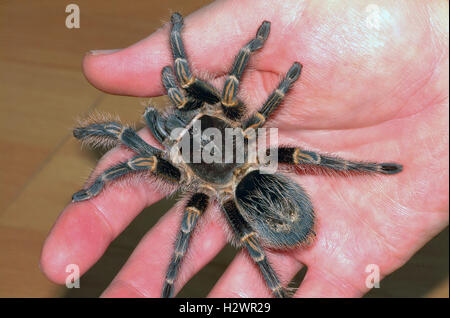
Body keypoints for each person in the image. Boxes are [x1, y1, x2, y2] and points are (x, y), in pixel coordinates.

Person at [40, 0, 449, 297]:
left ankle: (366, 175)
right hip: (252, 179)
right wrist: (270, 75)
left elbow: (222, 84)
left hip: (244, 193)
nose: (177, 121)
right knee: (274, 145)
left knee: (158, 170)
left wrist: (110, 134)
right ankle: (368, 173)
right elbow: (230, 83)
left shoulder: (196, 170)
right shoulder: (243, 126)